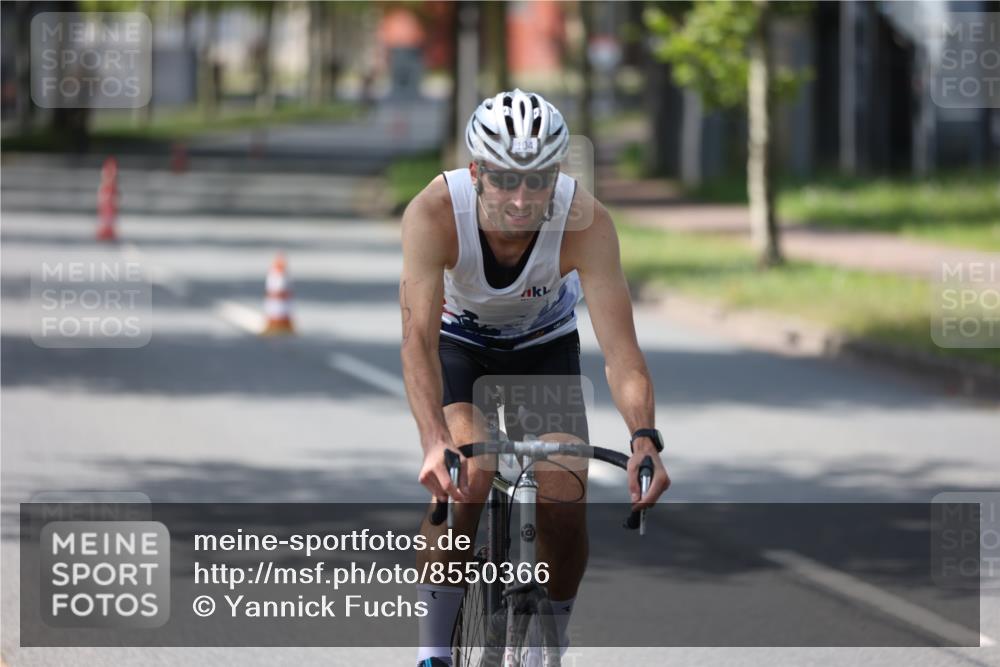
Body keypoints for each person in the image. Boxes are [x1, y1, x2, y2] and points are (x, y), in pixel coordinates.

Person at [400, 89, 670, 667]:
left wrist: (645, 438)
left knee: (564, 494)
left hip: (541, 348)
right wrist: (432, 440)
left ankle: (552, 641)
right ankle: (432, 654)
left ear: (557, 174)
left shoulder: (586, 220)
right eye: (502, 179)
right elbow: (417, 340)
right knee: (469, 478)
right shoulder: (433, 213)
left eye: (537, 179)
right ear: (475, 172)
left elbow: (621, 352)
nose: (521, 197)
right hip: (460, 347)